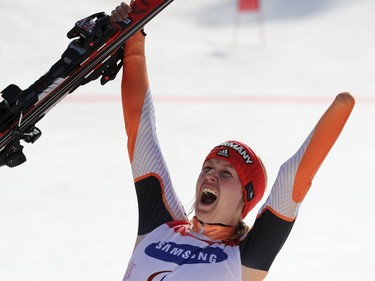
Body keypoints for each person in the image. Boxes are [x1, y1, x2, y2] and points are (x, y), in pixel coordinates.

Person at [110, 3, 355, 280]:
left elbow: (293, 179)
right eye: (208, 167)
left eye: (227, 173)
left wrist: (341, 105)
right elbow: (139, 130)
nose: (211, 176)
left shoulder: (244, 257)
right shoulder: (161, 226)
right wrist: (132, 36)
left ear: (245, 198)